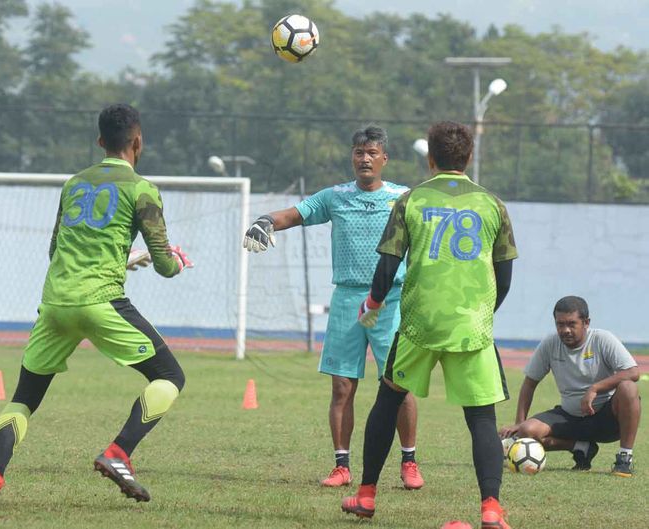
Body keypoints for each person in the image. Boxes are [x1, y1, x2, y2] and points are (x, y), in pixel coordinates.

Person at [0, 103, 193, 508]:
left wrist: (118, 259)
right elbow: (163, 264)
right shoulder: (142, 188)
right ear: (138, 141)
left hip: (55, 302)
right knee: (169, 376)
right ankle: (119, 453)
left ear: (100, 141)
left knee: (23, 398)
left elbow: (57, 247)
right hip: (101, 301)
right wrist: (176, 261)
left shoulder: (73, 183)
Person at [341, 121, 517, 529]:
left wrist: (373, 302)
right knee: (482, 418)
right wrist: (485, 311)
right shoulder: (492, 204)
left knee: (388, 400)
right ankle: (491, 508)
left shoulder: (411, 200)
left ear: (430, 158)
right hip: (472, 325)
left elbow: (388, 264)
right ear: (468, 157)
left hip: (419, 322)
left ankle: (366, 496)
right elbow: (505, 274)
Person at [243, 125, 423, 490]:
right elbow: (295, 214)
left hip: (391, 301)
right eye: (359, 152)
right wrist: (266, 221)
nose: (365, 158)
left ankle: (409, 462)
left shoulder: (404, 198)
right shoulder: (335, 196)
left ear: (384, 159)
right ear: (352, 157)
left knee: (399, 384)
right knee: (342, 387)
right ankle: (342, 466)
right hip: (347, 301)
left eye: (372, 152)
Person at [499, 295, 640, 477]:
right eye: (560, 324)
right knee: (527, 431)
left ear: (586, 322)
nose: (565, 330)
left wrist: (595, 388)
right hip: (570, 417)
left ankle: (624, 458)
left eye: (571, 324)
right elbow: (529, 383)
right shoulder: (550, 344)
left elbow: (633, 372)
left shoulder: (603, 339)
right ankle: (581, 447)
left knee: (628, 388)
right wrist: (519, 423)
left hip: (607, 420)